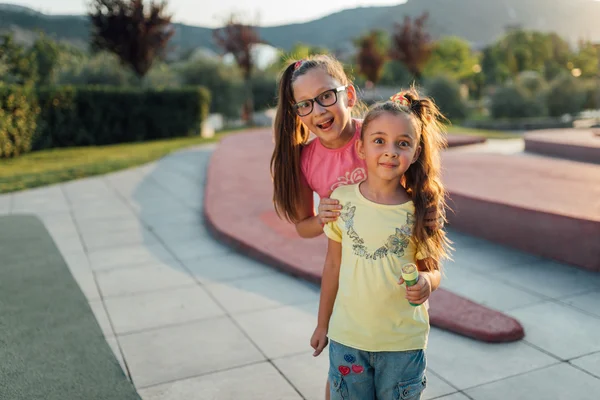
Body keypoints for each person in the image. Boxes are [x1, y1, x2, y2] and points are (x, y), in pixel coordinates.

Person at [270, 55, 444, 399]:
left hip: (393, 284)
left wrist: (429, 206)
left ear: (348, 94)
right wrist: (321, 219)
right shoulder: (305, 159)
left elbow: (415, 167)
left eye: (325, 96)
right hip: (351, 276)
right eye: (305, 104)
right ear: (297, 114)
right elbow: (303, 227)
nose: (318, 110)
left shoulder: (377, 133)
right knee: (341, 385)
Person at [309, 89, 451, 399]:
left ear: (415, 153)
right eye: (379, 141)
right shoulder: (341, 200)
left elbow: (433, 270)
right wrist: (323, 325)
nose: (390, 151)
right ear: (360, 147)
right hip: (349, 340)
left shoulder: (420, 209)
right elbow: (332, 265)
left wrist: (428, 281)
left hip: (402, 344)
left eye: (402, 143)